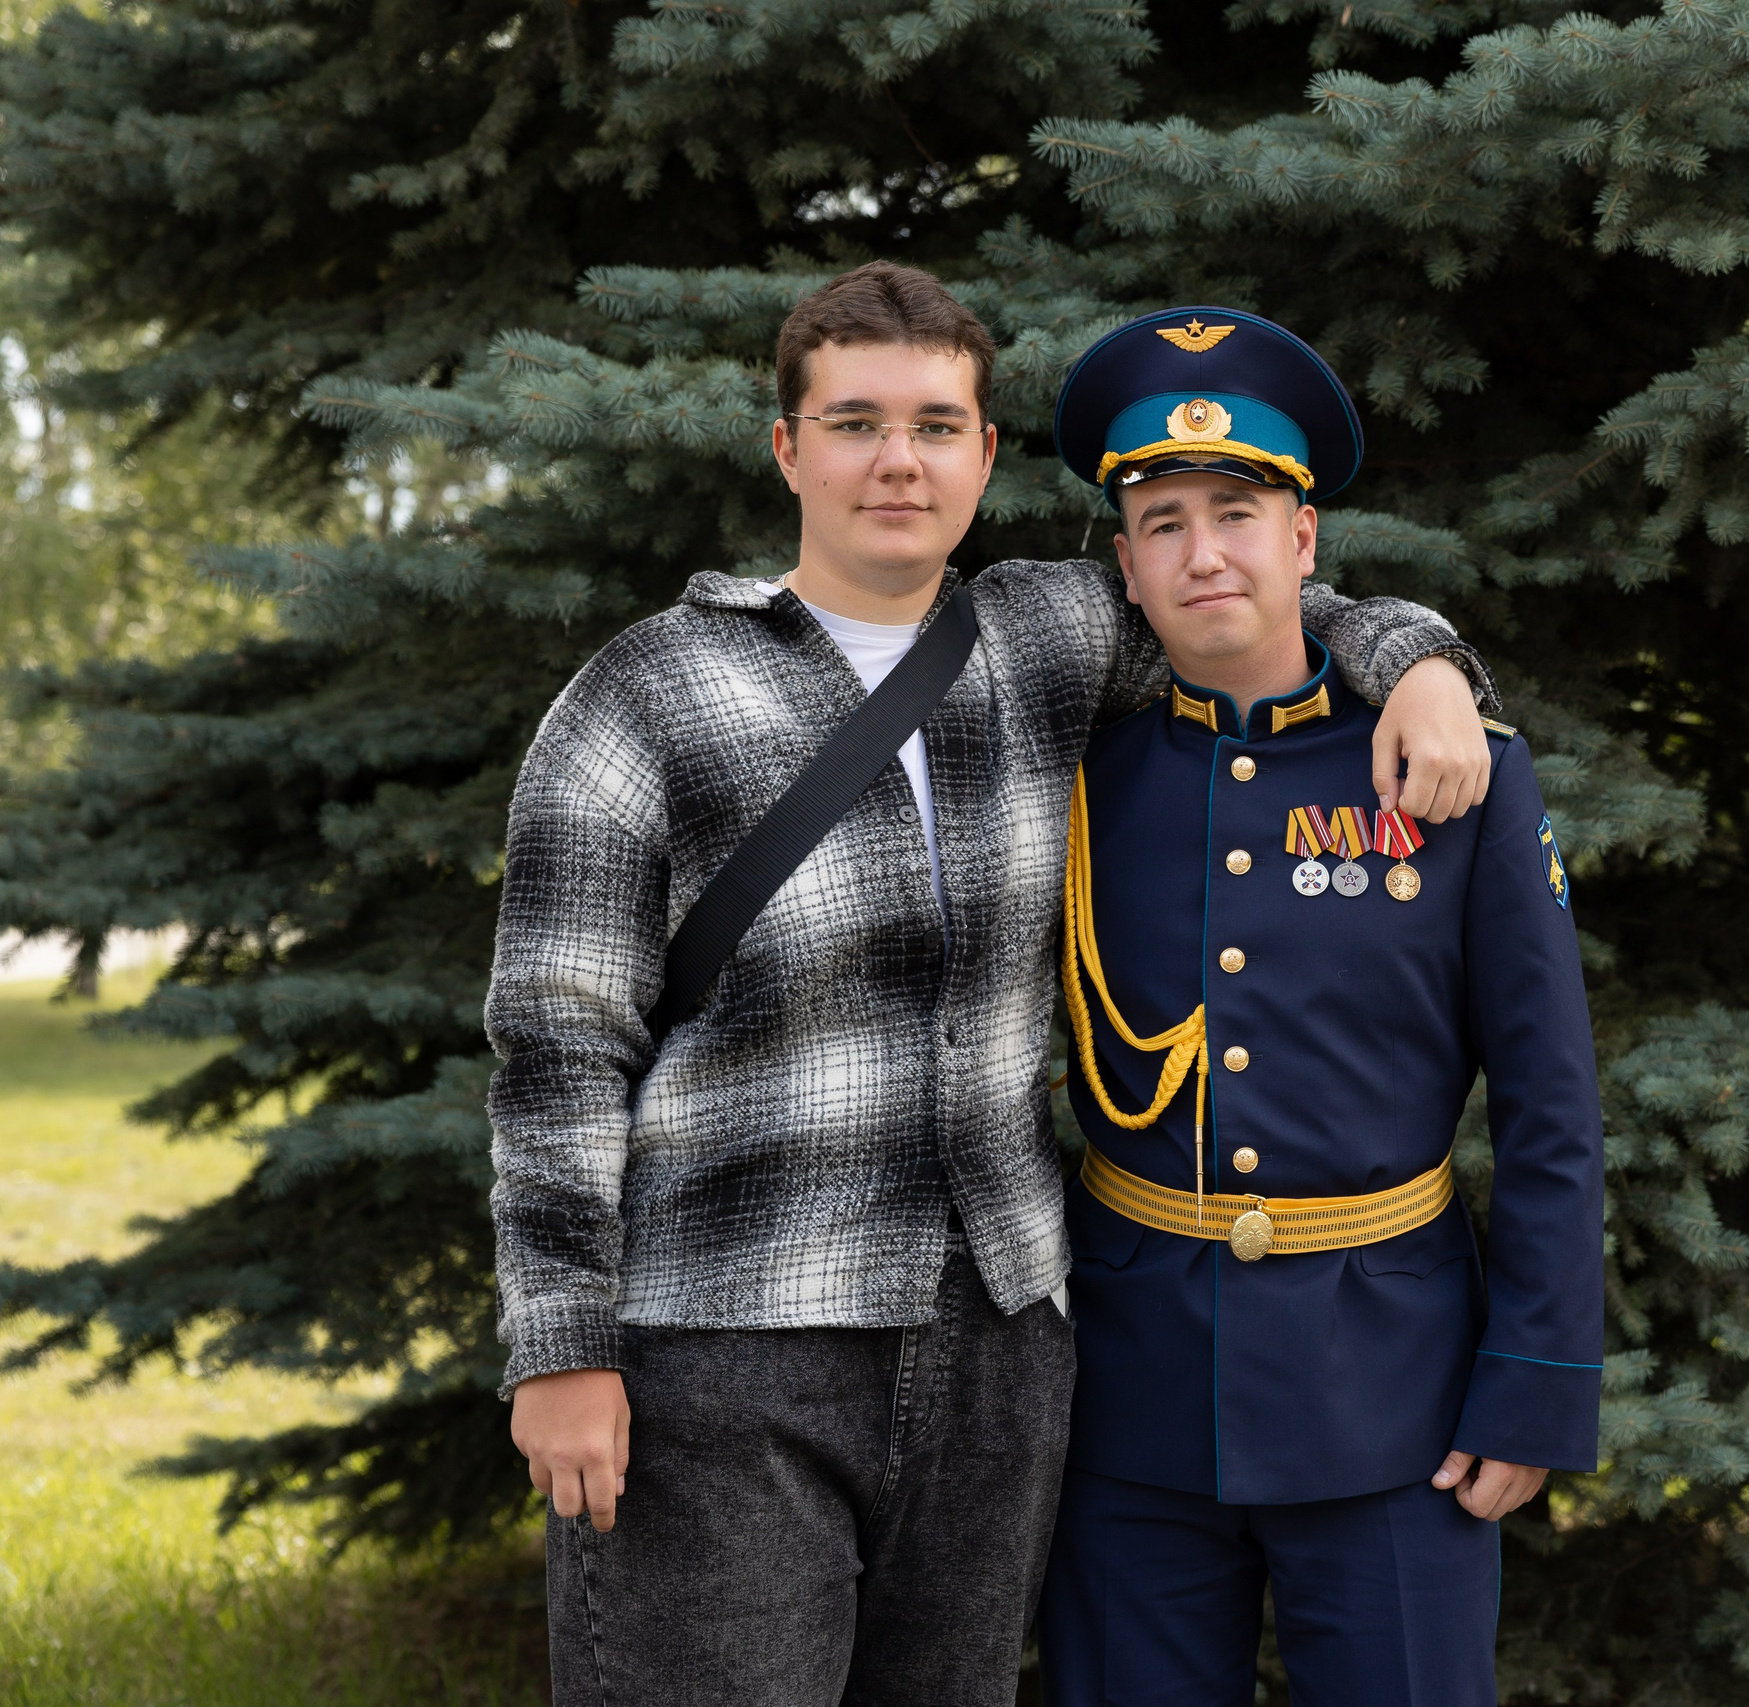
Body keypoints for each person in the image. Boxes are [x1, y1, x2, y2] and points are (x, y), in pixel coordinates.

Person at [483, 263, 1502, 1707]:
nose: (897, 460)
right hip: (727, 1342)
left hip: (997, 1344)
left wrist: (1427, 662)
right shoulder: (645, 692)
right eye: (853, 422)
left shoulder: (1044, 639)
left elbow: (1248, 586)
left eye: (936, 425)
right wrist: (563, 1350)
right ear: (787, 449)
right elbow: (553, 1049)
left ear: (984, 457)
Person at [1035, 308, 1606, 1706]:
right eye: (1162, 521)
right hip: (1134, 1394)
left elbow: (1547, 1105)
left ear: (1304, 542)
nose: (1202, 552)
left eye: (1237, 511)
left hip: (1396, 1397)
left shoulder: (1459, 769)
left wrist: (1534, 1378)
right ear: (1124, 561)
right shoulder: (1072, 772)